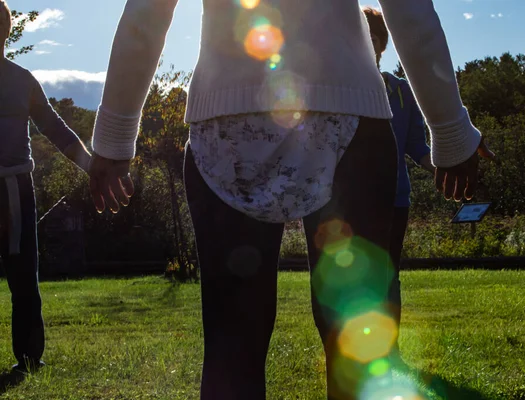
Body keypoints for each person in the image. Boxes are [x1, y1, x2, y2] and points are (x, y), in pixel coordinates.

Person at [89, 0, 493, 398]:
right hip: (348, 105)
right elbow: (409, 9)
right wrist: (450, 128)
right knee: (358, 340)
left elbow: (148, 12)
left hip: (228, 117)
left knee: (233, 345)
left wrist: (114, 137)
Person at [0, 0, 91, 373]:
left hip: (14, 190)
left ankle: (28, 359)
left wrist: (94, 168)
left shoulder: (22, 80)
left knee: (23, 278)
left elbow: (55, 130)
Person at [364, 5, 436, 275]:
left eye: (372, 40)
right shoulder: (341, 93)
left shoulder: (402, 90)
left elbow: (417, 145)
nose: (366, 46)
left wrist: (447, 164)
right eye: (359, 39)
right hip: (350, 201)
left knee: (388, 276)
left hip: (395, 199)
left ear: (382, 46)